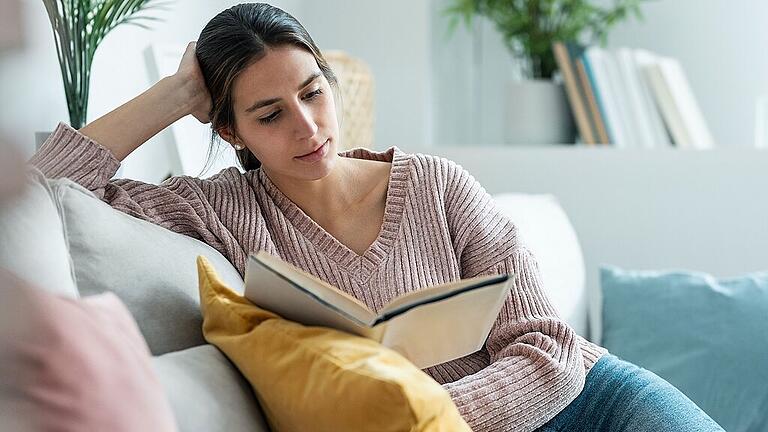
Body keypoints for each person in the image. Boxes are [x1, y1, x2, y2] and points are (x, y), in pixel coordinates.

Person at [29, 3, 724, 431]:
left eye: (313, 92)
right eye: (270, 114)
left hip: (589, 408)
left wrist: (417, 418)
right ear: (233, 132)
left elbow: (549, 348)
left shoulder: (438, 185)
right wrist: (176, 93)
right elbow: (41, 193)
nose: (307, 127)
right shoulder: (217, 211)